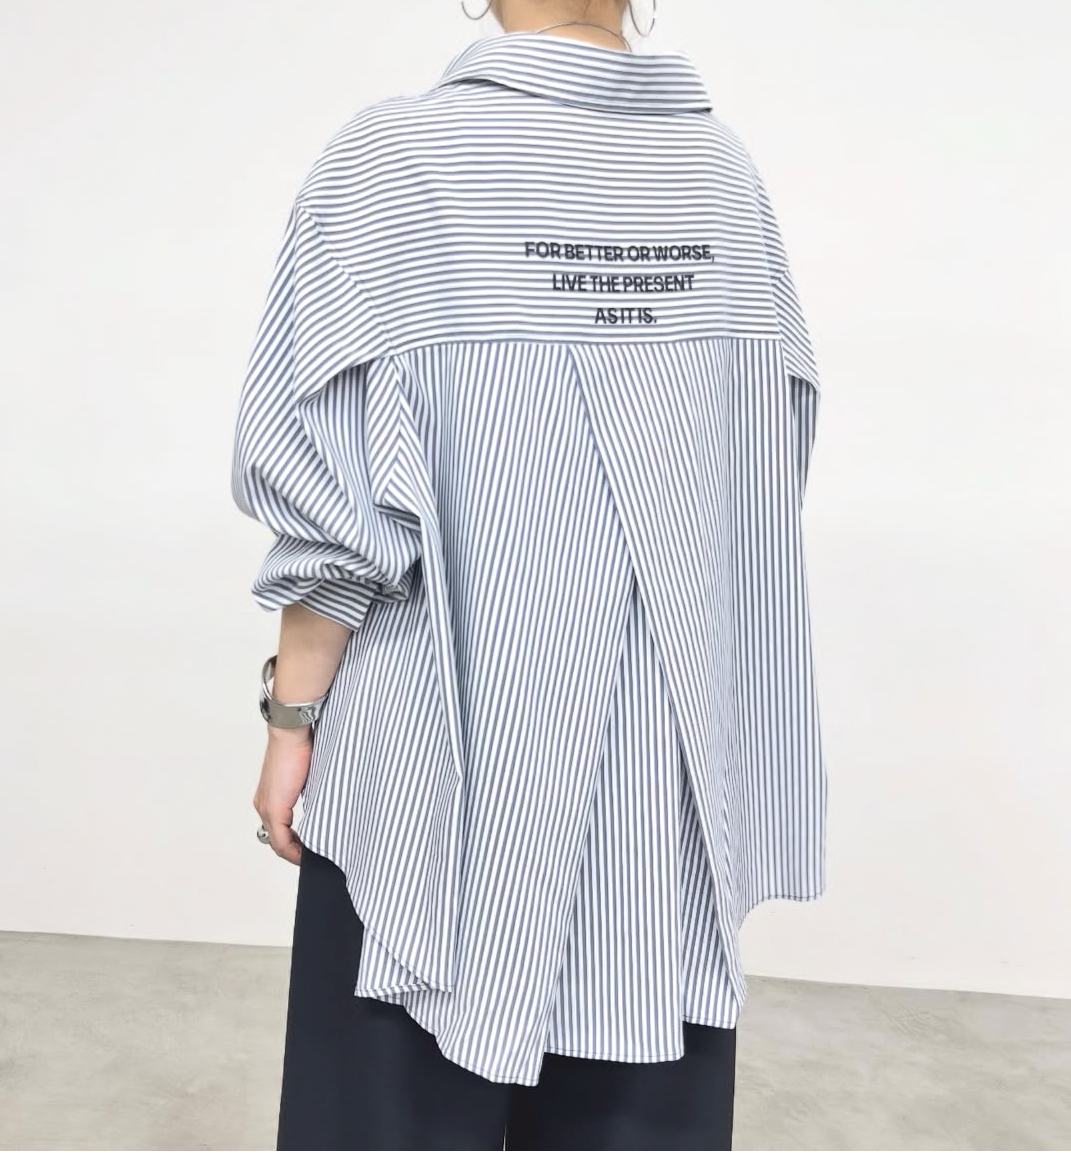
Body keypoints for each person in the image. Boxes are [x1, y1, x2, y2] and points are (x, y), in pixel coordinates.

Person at [230, 0, 827, 1148]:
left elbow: (330, 493)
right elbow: (765, 462)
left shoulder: (392, 158)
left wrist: (291, 717)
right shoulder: (720, 178)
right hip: (658, 793)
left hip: (435, 785)